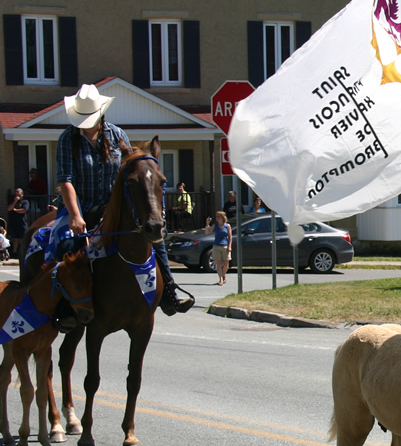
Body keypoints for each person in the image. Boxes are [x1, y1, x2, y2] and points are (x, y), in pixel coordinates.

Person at [56, 83, 193, 315]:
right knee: (63, 246)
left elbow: (129, 171)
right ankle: (64, 306)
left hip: (113, 206)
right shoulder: (67, 139)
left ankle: (170, 292)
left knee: (153, 236)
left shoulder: (117, 135)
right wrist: (75, 216)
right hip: (80, 206)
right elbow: (66, 180)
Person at [205, 211, 232, 286]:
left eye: (219, 216)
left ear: (223, 217)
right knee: (218, 263)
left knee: (226, 264)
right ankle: (220, 279)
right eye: (216, 216)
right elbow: (207, 232)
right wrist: (207, 224)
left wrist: (229, 246)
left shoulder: (227, 226)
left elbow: (230, 237)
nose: (217, 218)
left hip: (225, 246)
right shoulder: (215, 225)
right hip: (216, 246)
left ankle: (223, 275)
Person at [5, 187, 29, 256]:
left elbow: (24, 210)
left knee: (24, 237)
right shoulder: (12, 201)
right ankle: (14, 251)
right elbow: (9, 209)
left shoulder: (25, 202)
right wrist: (15, 201)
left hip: (22, 222)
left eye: (18, 194)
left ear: (22, 194)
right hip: (14, 222)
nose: (17, 196)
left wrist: (15, 210)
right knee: (15, 238)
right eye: (16, 194)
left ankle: (24, 251)